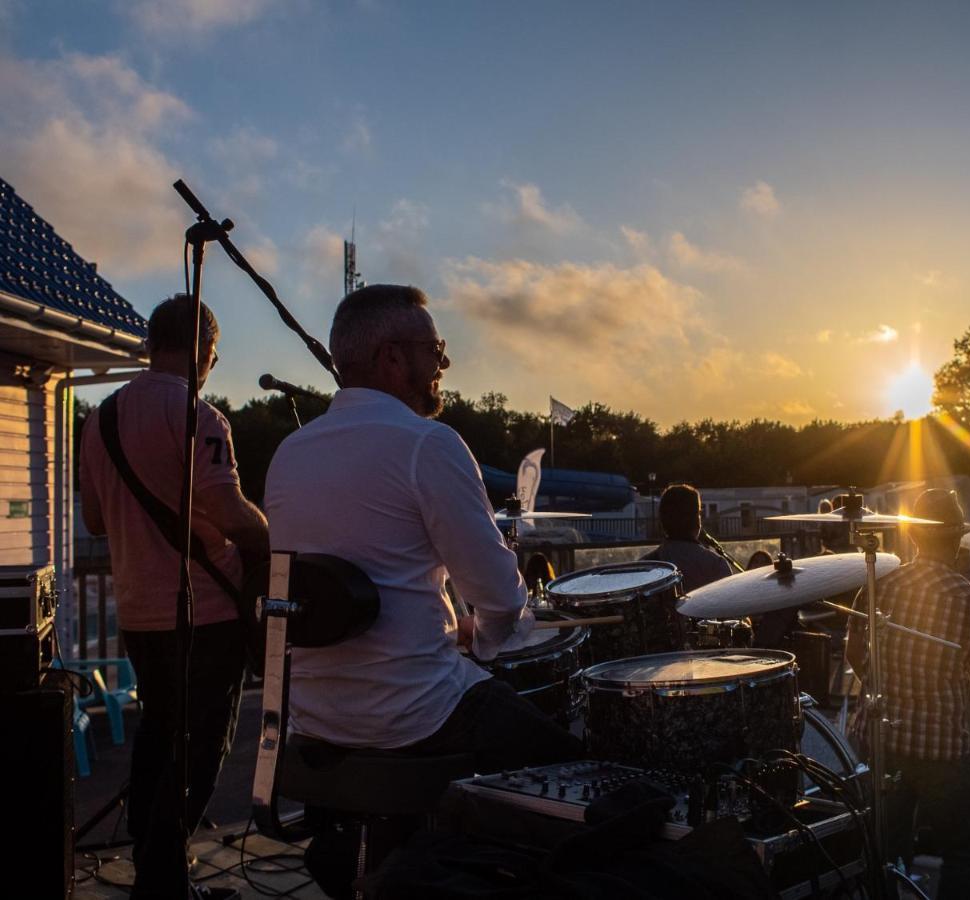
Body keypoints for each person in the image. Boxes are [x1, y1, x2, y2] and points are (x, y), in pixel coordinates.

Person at [265, 284, 581, 774]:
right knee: (581, 768)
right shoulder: (427, 444)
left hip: (313, 717)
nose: (444, 367)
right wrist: (483, 637)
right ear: (391, 358)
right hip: (416, 715)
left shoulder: (289, 453)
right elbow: (498, 595)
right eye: (435, 351)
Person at [79, 294, 268, 900]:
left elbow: (95, 519)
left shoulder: (101, 418)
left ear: (148, 342)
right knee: (202, 748)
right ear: (206, 350)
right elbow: (228, 512)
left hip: (138, 611)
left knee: (159, 734)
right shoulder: (199, 416)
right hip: (204, 614)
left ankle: (154, 867)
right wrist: (269, 535)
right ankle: (162, 879)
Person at [845, 489, 970, 900]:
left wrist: (879, 686)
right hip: (944, 751)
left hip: (882, 744)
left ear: (915, 538)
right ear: (957, 539)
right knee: (958, 853)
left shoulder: (878, 585)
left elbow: (852, 651)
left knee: (888, 852)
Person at [641, 483, 734, 593]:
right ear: (697, 520)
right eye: (699, 513)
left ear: (662, 520)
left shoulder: (645, 566)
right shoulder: (716, 565)